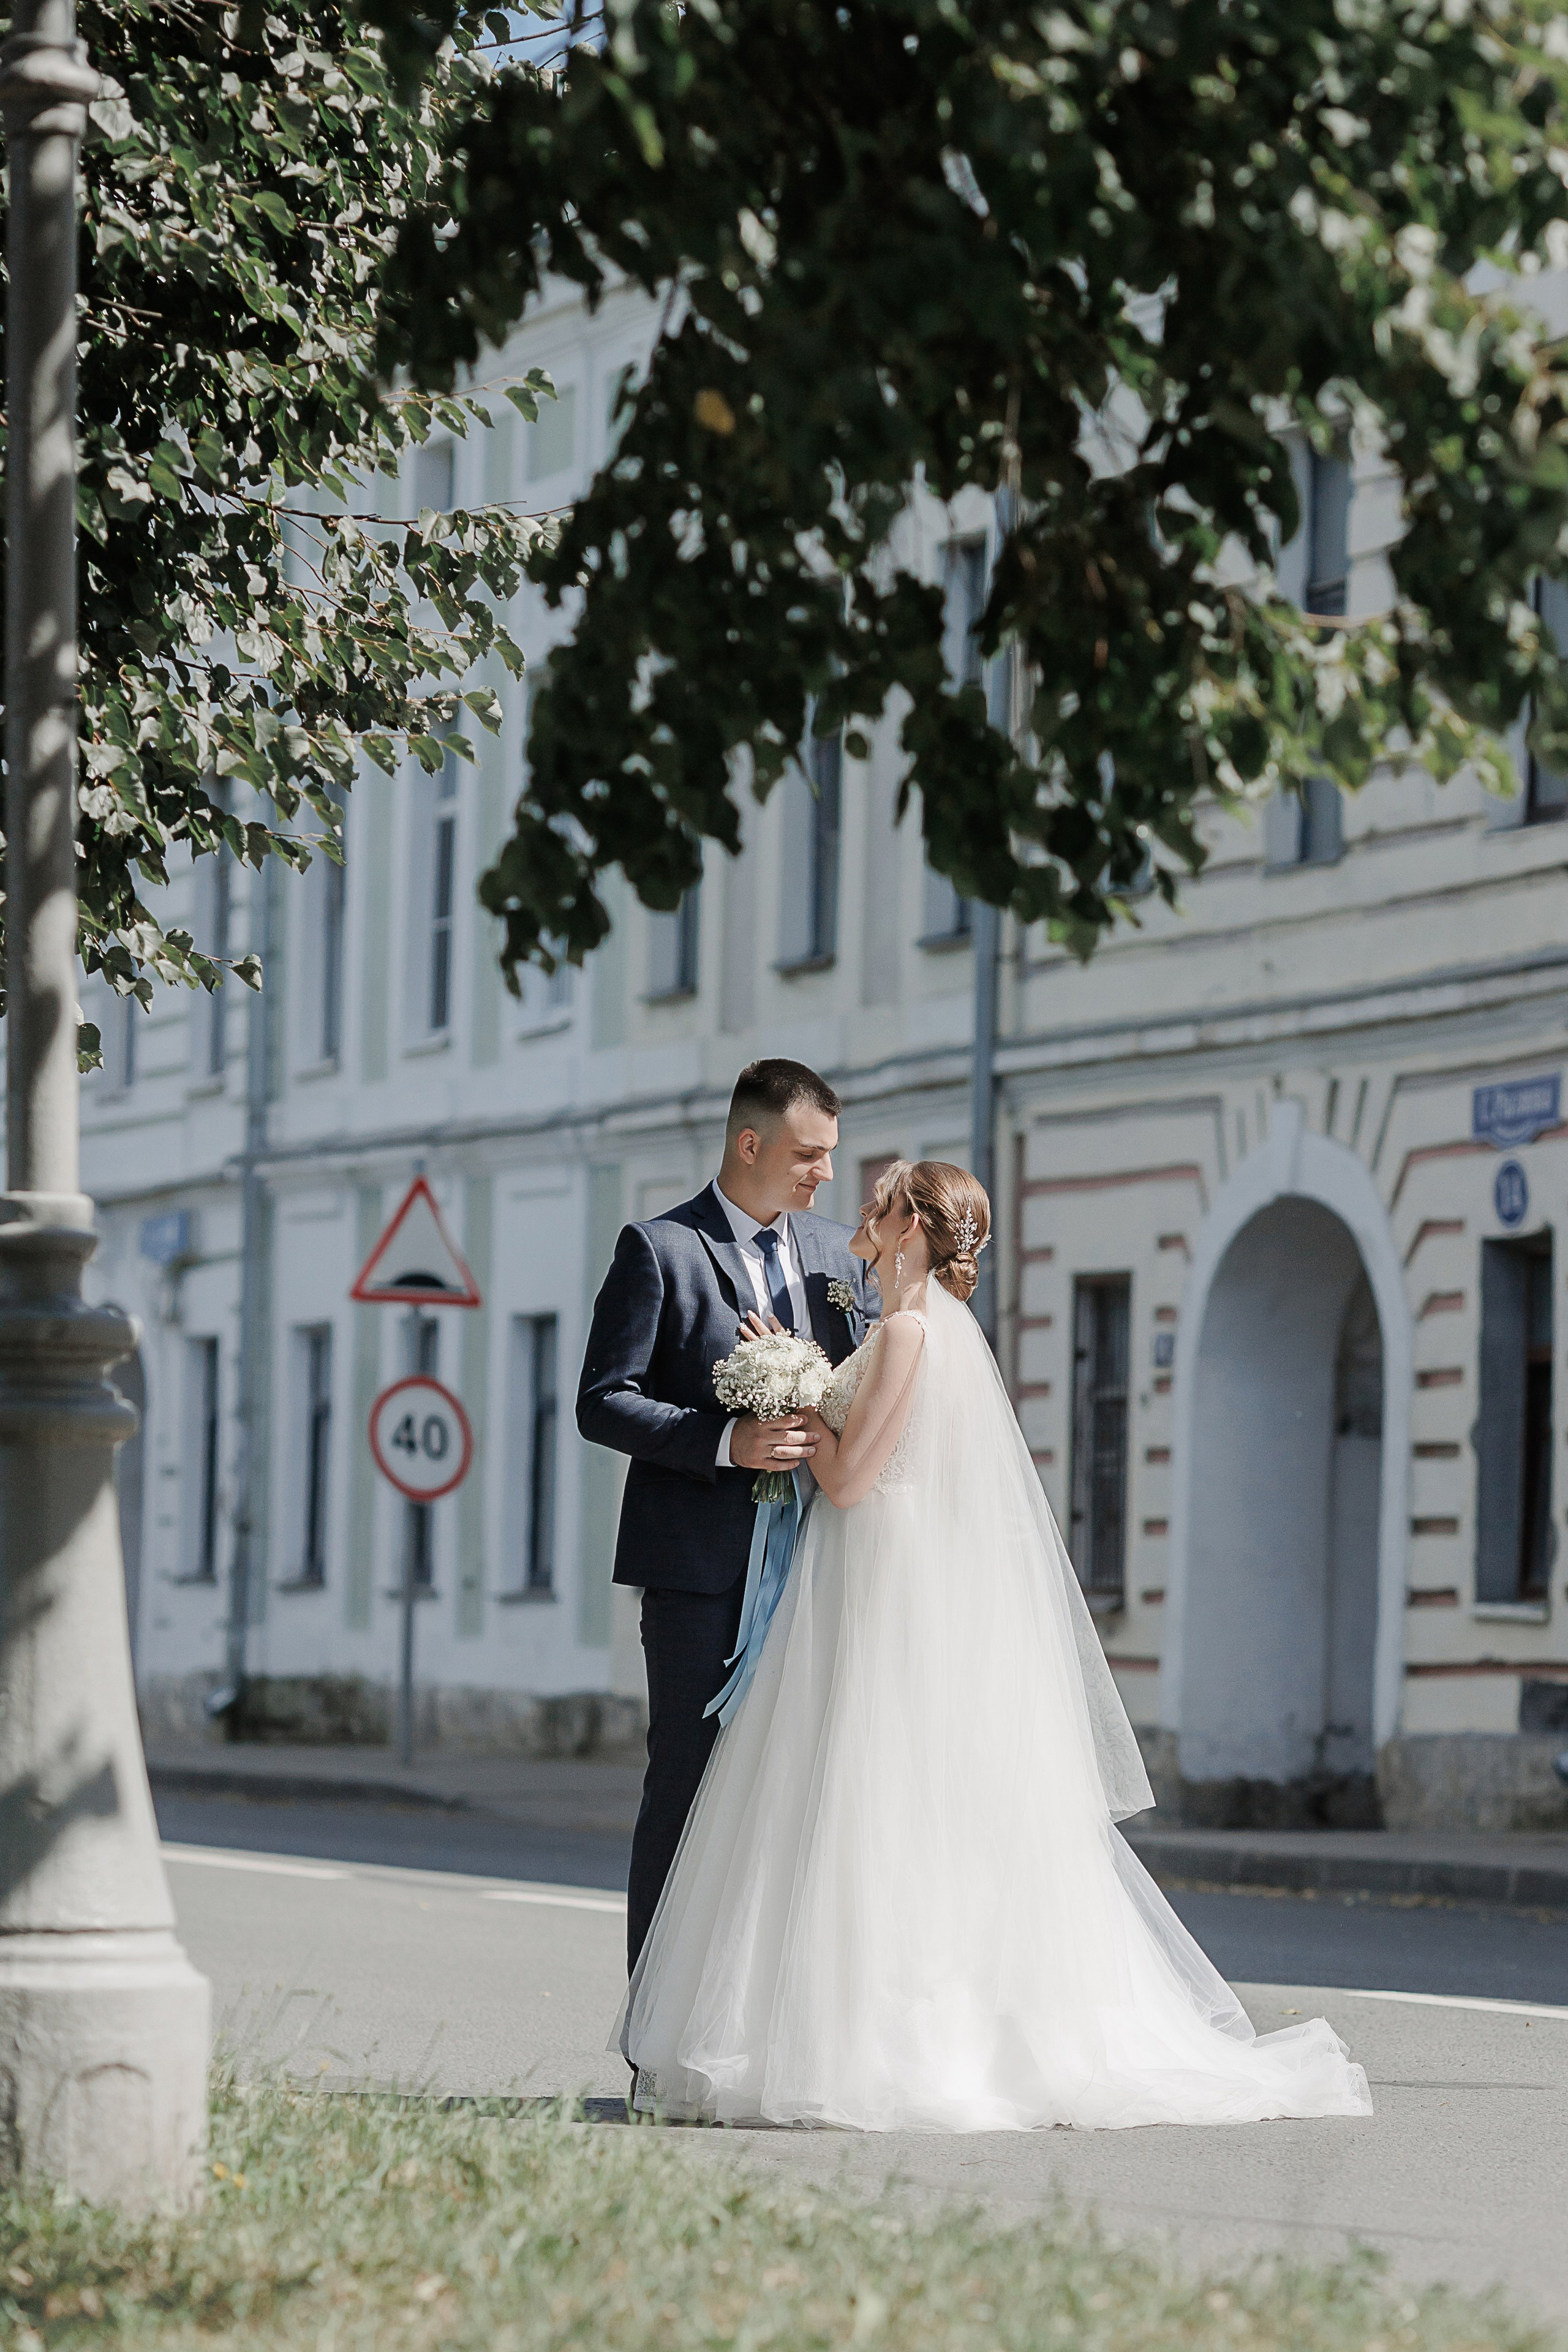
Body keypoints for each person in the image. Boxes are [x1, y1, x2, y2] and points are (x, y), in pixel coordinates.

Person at [619, 1160, 1373, 2132]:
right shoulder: (917, 1327)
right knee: (859, 1808)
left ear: (912, 1231)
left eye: (882, 1202)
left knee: (860, 1807)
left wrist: (799, 1395)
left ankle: (873, 2046)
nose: (862, 1209)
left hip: (875, 1579)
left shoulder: (906, 1331)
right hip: (869, 1576)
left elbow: (848, 1485)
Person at [576, 1058, 877, 1974]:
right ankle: (655, 2028)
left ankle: (759, 2022)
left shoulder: (835, 1256)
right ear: (751, 1144)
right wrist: (723, 1442)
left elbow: (866, 1384)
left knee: (800, 1796)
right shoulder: (659, 1250)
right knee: (689, 1788)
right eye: (809, 1154)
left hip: (823, 1565)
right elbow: (603, 1401)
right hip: (700, 1574)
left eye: (830, 1155)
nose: (826, 1173)